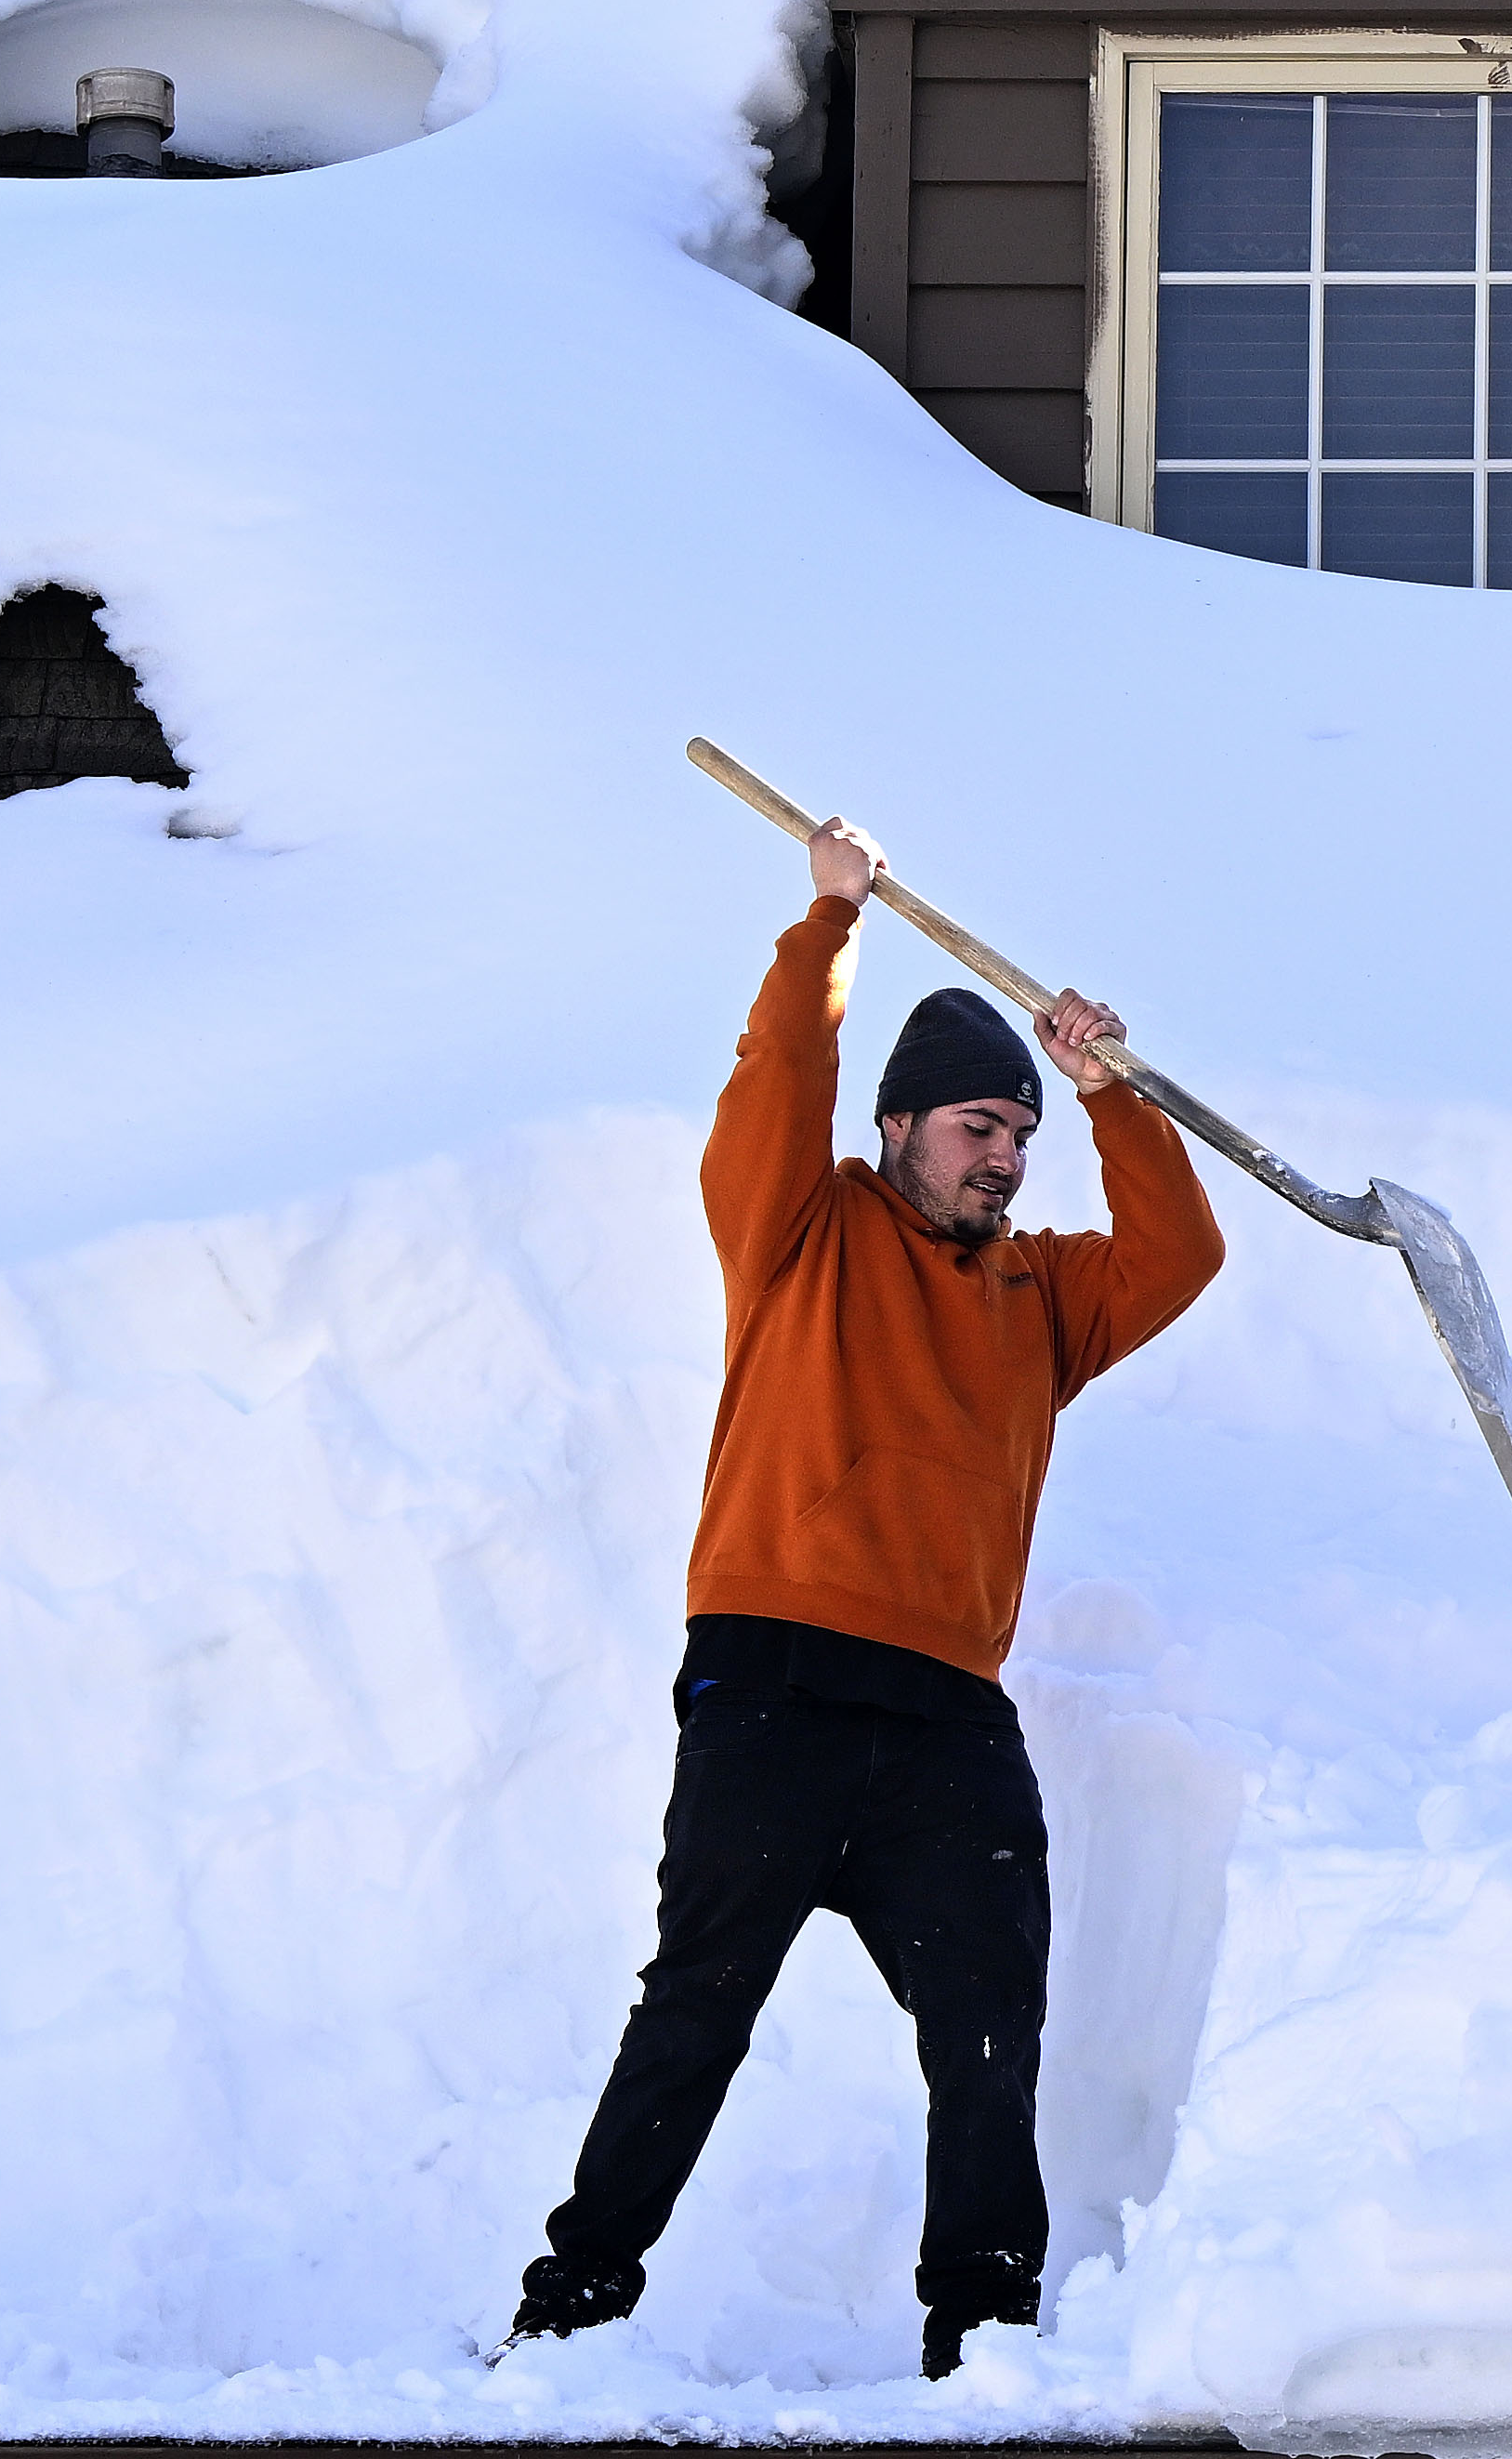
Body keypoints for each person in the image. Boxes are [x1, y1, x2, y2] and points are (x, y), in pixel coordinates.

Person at [509, 813, 1220, 2374]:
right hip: (773, 1686)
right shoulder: (802, 1230)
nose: (1004, 1159)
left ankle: (981, 2345)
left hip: (948, 1722)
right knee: (694, 2010)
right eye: (979, 1127)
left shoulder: (1045, 1299)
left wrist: (1111, 1099)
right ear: (900, 1125)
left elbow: (1178, 1256)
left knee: (988, 2038)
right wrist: (826, 931)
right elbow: (774, 1089)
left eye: (1019, 1137)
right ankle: (564, 2320)